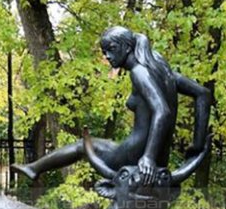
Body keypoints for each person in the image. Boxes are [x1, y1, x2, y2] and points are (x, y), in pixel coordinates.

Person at [12, 26, 212, 185]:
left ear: (126, 47)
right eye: (104, 51)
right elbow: (203, 94)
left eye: (111, 49)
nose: (107, 55)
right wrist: (197, 144)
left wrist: (148, 158)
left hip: (137, 153)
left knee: (83, 146)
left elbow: (163, 111)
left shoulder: (139, 72)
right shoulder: (159, 67)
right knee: (96, 144)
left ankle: (34, 168)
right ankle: (34, 168)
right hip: (158, 155)